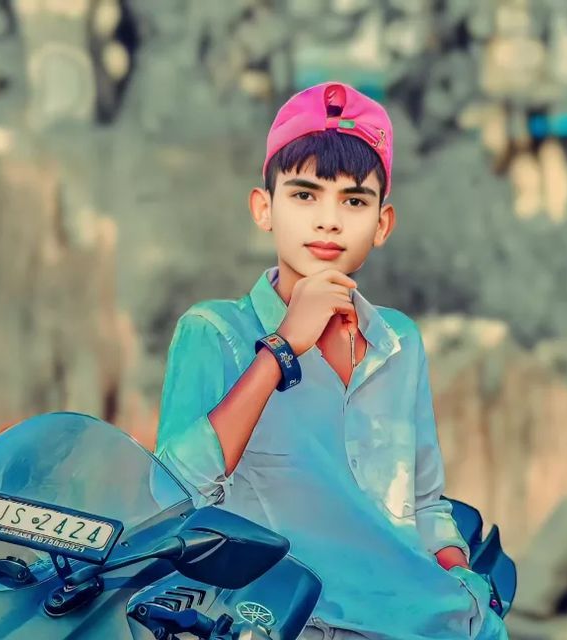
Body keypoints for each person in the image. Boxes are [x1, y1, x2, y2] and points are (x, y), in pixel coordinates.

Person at [155, 82, 508, 640]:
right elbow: (172, 494)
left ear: (382, 223)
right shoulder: (214, 331)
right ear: (263, 208)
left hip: (416, 618)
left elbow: (423, 501)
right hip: (280, 619)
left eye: (354, 201)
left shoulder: (399, 342)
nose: (329, 220)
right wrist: (281, 347)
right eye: (304, 195)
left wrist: (456, 570)